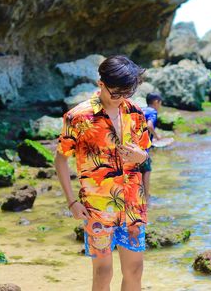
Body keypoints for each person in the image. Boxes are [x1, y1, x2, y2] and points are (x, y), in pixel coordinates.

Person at [54, 55, 151, 291]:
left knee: (135, 270)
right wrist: (71, 202)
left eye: (126, 93)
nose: (120, 99)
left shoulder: (136, 113)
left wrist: (142, 157)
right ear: (101, 83)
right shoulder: (78, 117)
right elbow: (60, 159)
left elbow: (145, 153)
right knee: (103, 273)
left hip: (132, 207)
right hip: (97, 209)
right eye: (115, 93)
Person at [140, 93, 162, 202]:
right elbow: (149, 126)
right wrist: (157, 137)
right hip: (143, 148)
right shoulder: (152, 112)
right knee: (147, 170)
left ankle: (140, 195)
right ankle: (146, 197)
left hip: (134, 145)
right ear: (156, 102)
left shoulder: (140, 109)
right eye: (160, 104)